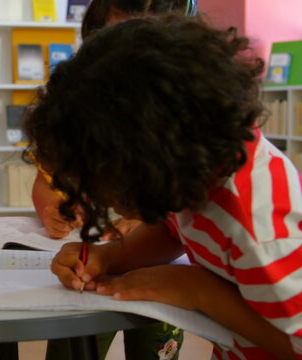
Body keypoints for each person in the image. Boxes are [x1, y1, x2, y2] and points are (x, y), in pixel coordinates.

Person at [25, 13, 302, 360]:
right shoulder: (198, 167)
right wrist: (109, 257)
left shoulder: (266, 232)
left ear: (148, 161)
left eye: (104, 187)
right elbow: (172, 229)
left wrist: (197, 290)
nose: (106, 204)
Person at [35, 1, 193, 359]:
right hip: (93, 264)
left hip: (158, 270)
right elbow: (47, 181)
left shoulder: (185, 137)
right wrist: (54, 208)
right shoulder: (82, 119)